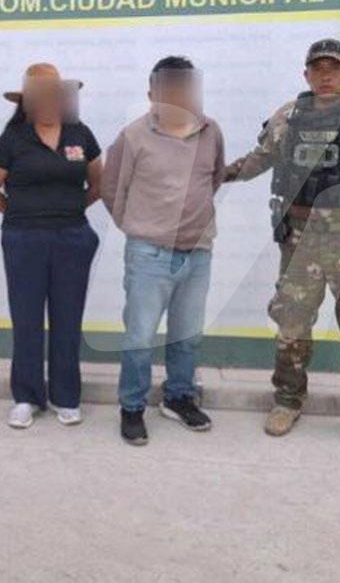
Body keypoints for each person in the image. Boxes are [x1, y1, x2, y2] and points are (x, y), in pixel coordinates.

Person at [223, 38, 340, 452]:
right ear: (306, 74)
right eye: (318, 68)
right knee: (292, 327)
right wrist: (217, 175)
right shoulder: (289, 116)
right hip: (301, 241)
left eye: (334, 68)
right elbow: (258, 159)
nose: (326, 75)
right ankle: (287, 400)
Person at [101, 56, 224, 446]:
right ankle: (132, 407)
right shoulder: (133, 136)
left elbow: (214, 179)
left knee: (187, 335)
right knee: (140, 336)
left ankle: (179, 397)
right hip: (148, 253)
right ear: (152, 92)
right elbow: (111, 190)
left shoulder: (211, 132)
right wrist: (140, 228)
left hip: (198, 252)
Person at [0, 63, 102, 430]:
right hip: (23, 242)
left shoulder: (81, 134)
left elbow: (98, 185)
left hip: (72, 239)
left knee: (68, 318)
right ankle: (26, 397)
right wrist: (22, 215)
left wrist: (65, 212)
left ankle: (66, 397)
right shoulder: (13, 139)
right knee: (27, 319)